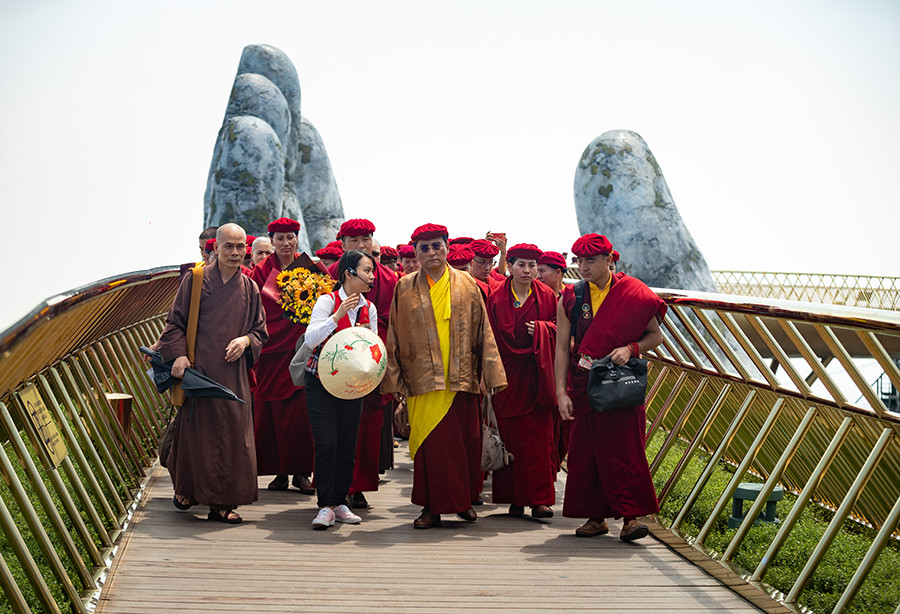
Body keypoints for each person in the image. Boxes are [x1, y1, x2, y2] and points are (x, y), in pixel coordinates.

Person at [382, 223, 507, 529]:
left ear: (447, 248)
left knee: (463, 445)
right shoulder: (405, 286)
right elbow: (394, 334)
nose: (431, 252)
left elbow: (484, 331)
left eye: (436, 245)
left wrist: (486, 375)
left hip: (461, 377)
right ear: (415, 253)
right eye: (423, 248)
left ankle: (462, 503)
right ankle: (431, 508)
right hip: (422, 379)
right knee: (429, 447)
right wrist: (394, 379)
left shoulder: (467, 284)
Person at [555, 233, 665, 541]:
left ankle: (631, 519)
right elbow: (561, 348)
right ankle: (596, 518)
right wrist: (560, 392)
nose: (583, 267)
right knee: (586, 452)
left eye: (591, 260)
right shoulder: (572, 296)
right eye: (579, 261)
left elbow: (655, 336)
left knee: (625, 449)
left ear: (610, 261)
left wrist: (631, 348)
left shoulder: (633, 292)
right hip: (584, 382)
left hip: (619, 384)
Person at [159, 223, 268, 524]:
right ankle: (189, 489)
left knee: (234, 437)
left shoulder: (250, 287)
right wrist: (179, 355)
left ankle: (223, 502)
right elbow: (174, 323)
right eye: (228, 246)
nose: (235, 252)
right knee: (198, 436)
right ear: (215, 248)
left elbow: (260, 331)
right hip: (199, 371)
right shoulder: (195, 281)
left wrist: (246, 341)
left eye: (240, 247)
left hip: (233, 375)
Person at [303, 249, 378, 529]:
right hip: (320, 382)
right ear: (349, 273)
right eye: (366, 270)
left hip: (351, 385)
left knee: (348, 444)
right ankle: (325, 505)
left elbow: (374, 347)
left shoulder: (369, 308)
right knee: (326, 444)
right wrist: (337, 316)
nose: (371, 276)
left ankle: (341, 501)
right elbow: (310, 339)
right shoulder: (327, 300)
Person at [327, 219, 398, 509]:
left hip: (373, 361)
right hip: (336, 361)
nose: (360, 245)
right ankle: (332, 487)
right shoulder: (328, 275)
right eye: (353, 240)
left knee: (367, 427)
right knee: (334, 427)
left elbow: (397, 324)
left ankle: (359, 487)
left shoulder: (390, 279)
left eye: (365, 239)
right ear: (341, 243)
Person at [486, 243, 558, 519]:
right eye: (521, 265)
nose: (527, 271)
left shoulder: (548, 296)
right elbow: (488, 337)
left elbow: (559, 328)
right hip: (507, 376)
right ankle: (514, 498)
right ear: (510, 266)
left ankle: (540, 500)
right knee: (510, 438)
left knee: (539, 442)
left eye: (533, 266)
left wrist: (542, 329)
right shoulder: (496, 296)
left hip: (537, 375)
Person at [249, 217, 315, 495]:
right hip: (269, 351)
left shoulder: (309, 268)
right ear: (271, 240)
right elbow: (252, 306)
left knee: (301, 414)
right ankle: (279, 472)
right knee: (271, 414)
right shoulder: (261, 271)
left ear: (297, 239)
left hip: (300, 349)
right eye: (279, 238)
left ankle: (301, 472)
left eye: (290, 237)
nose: (285, 243)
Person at [536, 250, 570, 474]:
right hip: (543, 370)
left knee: (565, 425)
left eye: (542, 271)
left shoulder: (572, 297)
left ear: (558, 273)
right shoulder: (536, 296)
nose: (537, 276)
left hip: (569, 368)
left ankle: (554, 463)